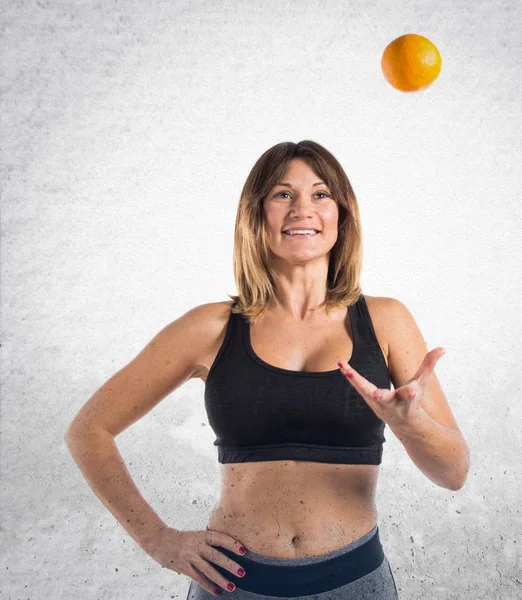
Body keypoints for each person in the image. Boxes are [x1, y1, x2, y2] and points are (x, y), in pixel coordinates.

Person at [65, 140, 470, 599]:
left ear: (342, 215)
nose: (303, 209)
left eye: (321, 194)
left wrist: (411, 424)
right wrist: (159, 542)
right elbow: (88, 429)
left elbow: (453, 473)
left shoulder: (386, 320)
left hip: (352, 582)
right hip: (234, 586)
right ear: (256, 215)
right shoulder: (211, 327)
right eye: (282, 194)